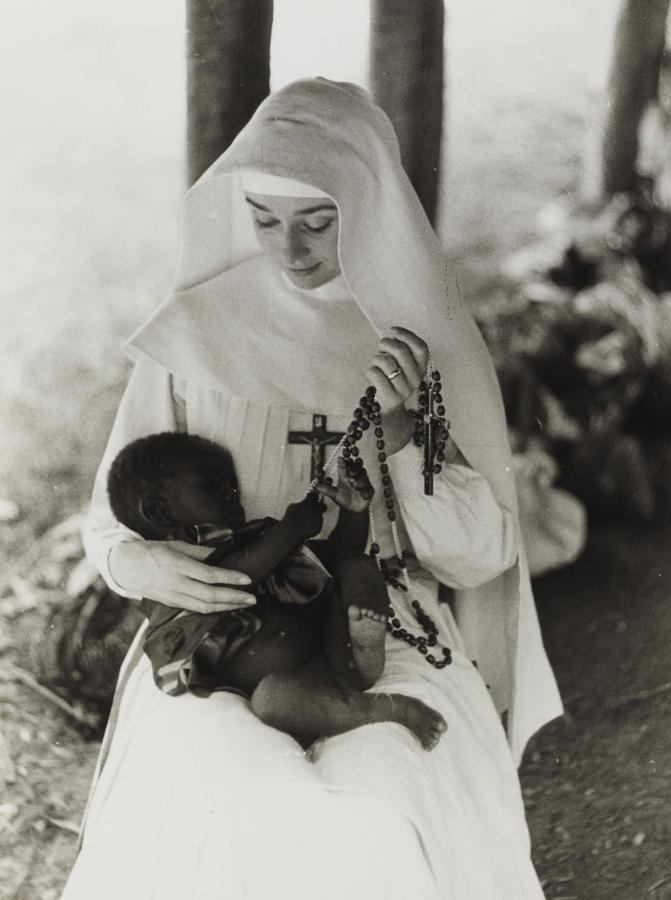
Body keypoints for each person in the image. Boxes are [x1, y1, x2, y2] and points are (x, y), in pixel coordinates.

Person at [62, 78, 562, 900]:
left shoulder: (423, 345)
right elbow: (109, 524)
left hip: (382, 625)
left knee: (383, 800)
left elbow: (478, 557)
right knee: (229, 799)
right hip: (222, 637)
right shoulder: (193, 335)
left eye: (316, 222)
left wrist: (404, 441)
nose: (288, 250)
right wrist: (143, 569)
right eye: (264, 220)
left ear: (369, 211)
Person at [106, 431, 446, 747]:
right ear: (157, 511)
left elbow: (322, 570)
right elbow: (228, 579)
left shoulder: (256, 539)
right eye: (212, 486)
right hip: (287, 683)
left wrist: (354, 514)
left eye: (233, 486)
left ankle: (365, 650)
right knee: (271, 701)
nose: (232, 495)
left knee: (351, 564)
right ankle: (380, 708)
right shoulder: (166, 574)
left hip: (329, 651)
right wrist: (291, 529)